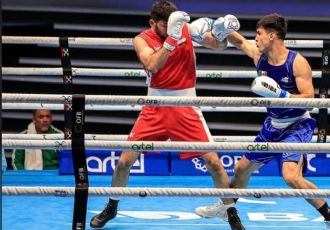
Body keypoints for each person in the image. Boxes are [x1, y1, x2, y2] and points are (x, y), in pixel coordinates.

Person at [90, 1, 244, 229]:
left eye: (171, 24)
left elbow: (218, 46)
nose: (169, 28)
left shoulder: (186, 29)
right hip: (155, 105)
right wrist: (171, 41)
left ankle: (230, 212)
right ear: (153, 23)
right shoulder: (142, 39)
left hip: (185, 104)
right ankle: (112, 207)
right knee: (124, 162)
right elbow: (152, 65)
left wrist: (221, 34)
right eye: (164, 25)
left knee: (213, 161)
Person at [195, 14, 330, 230]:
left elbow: (310, 99)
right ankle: (225, 206)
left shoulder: (297, 63)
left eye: (259, 34)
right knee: (241, 169)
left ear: (272, 36)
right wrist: (219, 25)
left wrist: (282, 95)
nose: (255, 38)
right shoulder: (259, 57)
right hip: (273, 124)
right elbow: (239, 41)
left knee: (291, 177)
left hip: (297, 125)